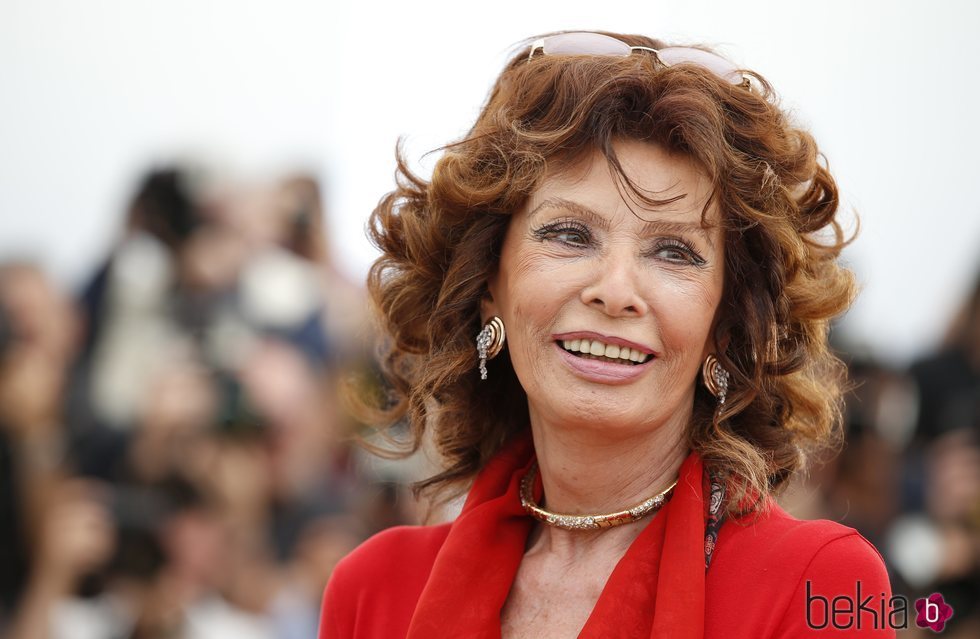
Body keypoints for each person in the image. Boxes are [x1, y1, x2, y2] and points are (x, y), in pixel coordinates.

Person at [319, 31, 894, 638]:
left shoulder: (820, 586)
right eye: (569, 234)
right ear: (489, 281)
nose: (615, 290)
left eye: (674, 251)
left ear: (726, 325)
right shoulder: (374, 591)